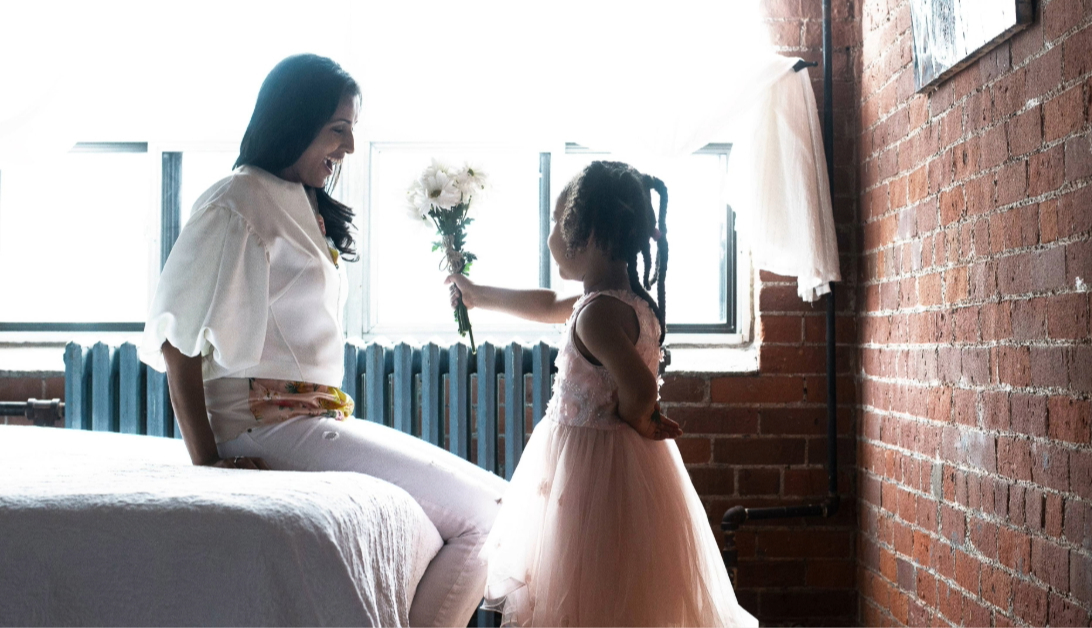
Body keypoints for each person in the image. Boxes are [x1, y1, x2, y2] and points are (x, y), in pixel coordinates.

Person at [140, 54, 506, 627]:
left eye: (353, 131)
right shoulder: (234, 200)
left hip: (313, 415)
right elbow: (177, 342)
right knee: (488, 518)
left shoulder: (301, 200)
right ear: (294, 120)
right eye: (339, 130)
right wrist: (208, 459)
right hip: (265, 423)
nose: (350, 149)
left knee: (503, 505)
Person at [446, 160, 757, 626]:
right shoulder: (624, 301)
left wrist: (639, 414)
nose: (551, 237)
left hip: (594, 478)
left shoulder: (595, 315)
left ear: (587, 234)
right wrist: (478, 295)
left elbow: (639, 385)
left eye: (557, 223)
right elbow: (548, 304)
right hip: (626, 471)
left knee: (588, 593)